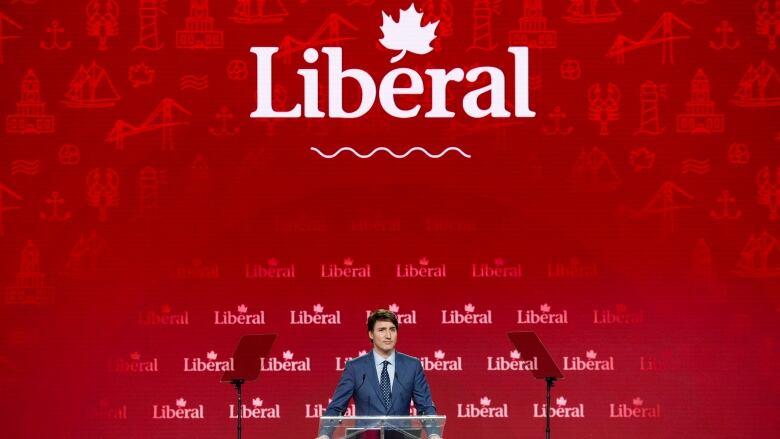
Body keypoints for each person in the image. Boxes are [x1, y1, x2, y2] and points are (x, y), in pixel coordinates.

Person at [316, 309, 441, 439]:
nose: (388, 335)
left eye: (392, 329)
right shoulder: (355, 368)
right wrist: (325, 434)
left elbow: (425, 406)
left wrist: (434, 434)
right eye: (381, 330)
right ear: (371, 334)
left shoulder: (412, 366)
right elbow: (336, 407)